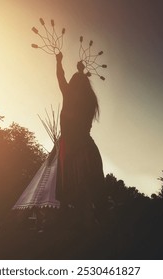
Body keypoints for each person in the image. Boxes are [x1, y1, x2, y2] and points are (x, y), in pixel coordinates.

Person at [55, 51, 105, 229]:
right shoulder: (91, 101)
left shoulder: (69, 95)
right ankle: (94, 223)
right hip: (88, 148)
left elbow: (60, 78)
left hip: (72, 148)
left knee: (72, 188)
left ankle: (76, 226)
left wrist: (59, 60)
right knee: (90, 189)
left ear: (74, 83)